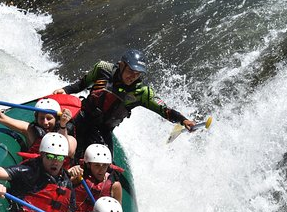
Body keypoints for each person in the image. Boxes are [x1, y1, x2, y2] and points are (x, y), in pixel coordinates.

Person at [52, 49, 196, 159]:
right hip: (82, 118)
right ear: (121, 65)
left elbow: (165, 110)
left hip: (102, 130)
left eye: (137, 74)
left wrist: (184, 120)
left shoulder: (142, 93)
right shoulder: (103, 68)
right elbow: (81, 84)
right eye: (130, 71)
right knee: (56, 138)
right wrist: (64, 90)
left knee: (106, 165)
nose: (132, 77)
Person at [0, 92, 77, 159]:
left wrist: (63, 125)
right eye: (41, 118)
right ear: (36, 118)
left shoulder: (68, 137)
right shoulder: (29, 130)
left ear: (56, 119)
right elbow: (0, 117)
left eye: (49, 118)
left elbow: (68, 151)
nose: (45, 122)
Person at [67, 143, 123, 212]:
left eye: (104, 166)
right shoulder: (79, 177)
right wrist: (69, 173)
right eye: (97, 165)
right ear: (89, 165)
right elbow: (61, 184)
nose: (101, 170)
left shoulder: (115, 186)